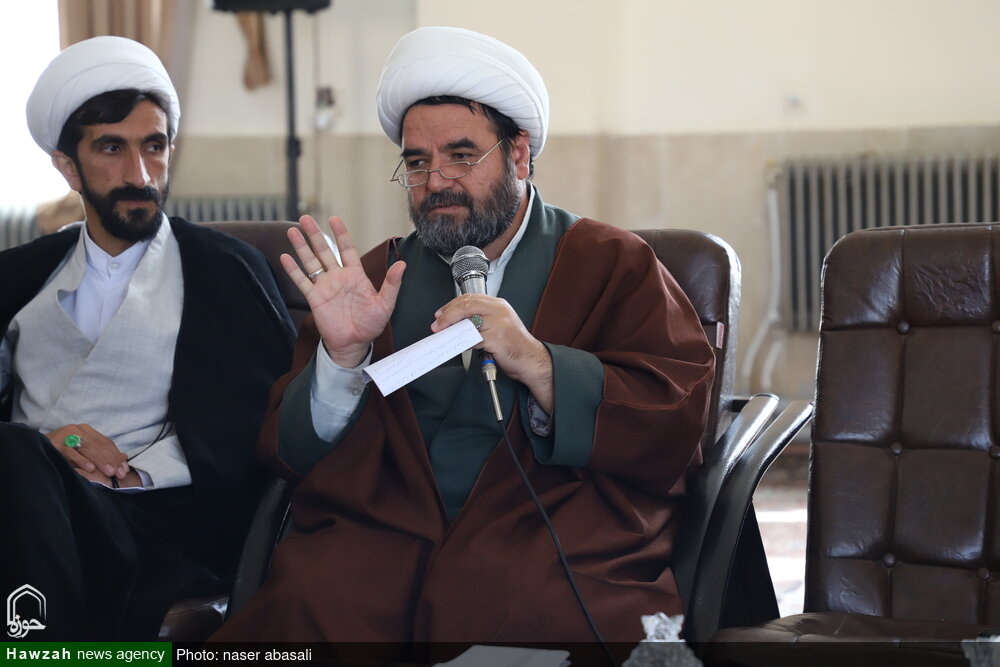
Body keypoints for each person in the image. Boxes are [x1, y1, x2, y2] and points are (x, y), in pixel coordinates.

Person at [215, 26, 714, 645]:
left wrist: (539, 363)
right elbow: (292, 455)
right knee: (301, 612)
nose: (435, 182)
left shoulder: (613, 262)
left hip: (549, 534)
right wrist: (341, 359)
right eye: (417, 162)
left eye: (460, 156)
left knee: (524, 615)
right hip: (387, 538)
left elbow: (675, 419)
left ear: (519, 156)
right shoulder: (376, 279)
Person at [0, 36, 295, 640]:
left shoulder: (224, 270)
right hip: (23, 497)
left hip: (150, 523)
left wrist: (135, 473)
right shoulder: (19, 276)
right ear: (67, 165)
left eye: (153, 147)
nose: (139, 175)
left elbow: (259, 426)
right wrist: (51, 447)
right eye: (112, 148)